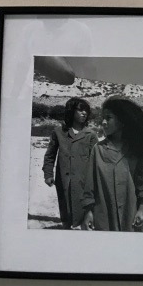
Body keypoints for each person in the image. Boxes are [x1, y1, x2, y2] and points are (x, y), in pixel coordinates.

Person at [81, 97, 143, 232]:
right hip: (104, 215)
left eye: (108, 118)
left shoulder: (135, 150)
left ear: (122, 122)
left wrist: (141, 209)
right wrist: (88, 212)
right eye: (103, 118)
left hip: (131, 215)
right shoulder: (98, 150)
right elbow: (89, 186)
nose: (103, 122)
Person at [42, 98, 98, 229]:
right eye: (80, 110)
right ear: (71, 111)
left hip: (84, 182)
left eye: (86, 110)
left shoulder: (91, 134)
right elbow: (50, 155)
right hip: (63, 181)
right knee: (65, 213)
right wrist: (48, 174)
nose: (84, 113)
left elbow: (96, 160)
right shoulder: (58, 132)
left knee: (85, 214)